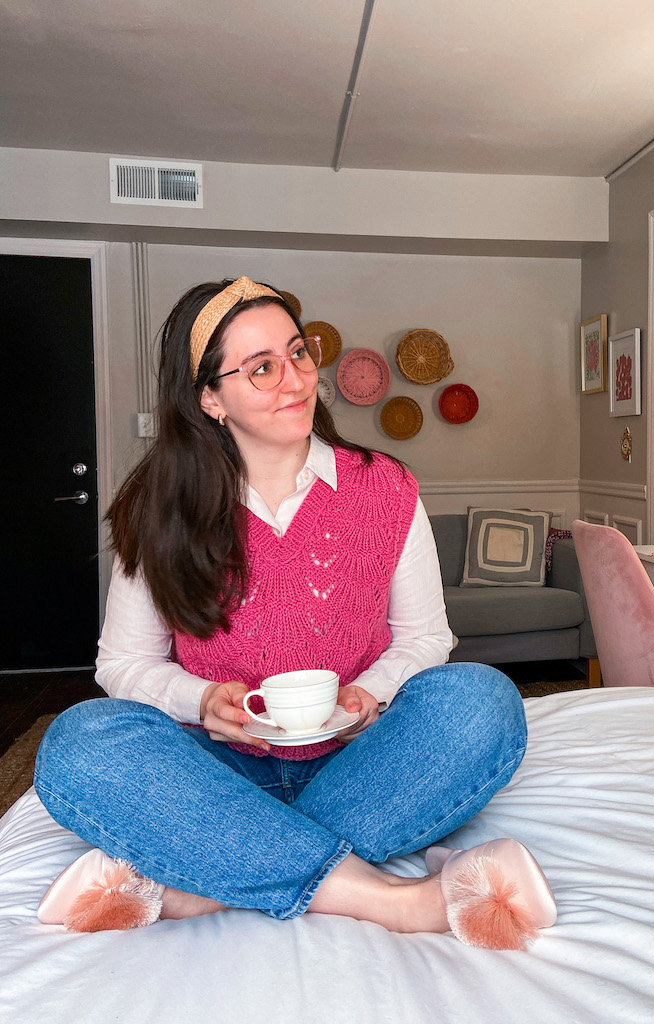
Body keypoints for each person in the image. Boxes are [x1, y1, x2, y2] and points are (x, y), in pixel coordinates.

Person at [33, 277, 556, 949]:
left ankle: (198, 881)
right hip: (217, 765)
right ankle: (396, 902)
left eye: (298, 353)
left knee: (480, 700)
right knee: (81, 742)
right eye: (260, 368)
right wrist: (201, 701)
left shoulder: (386, 487)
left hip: (358, 759)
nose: (295, 379)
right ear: (209, 398)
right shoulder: (157, 508)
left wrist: (372, 693)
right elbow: (124, 664)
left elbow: (425, 637)